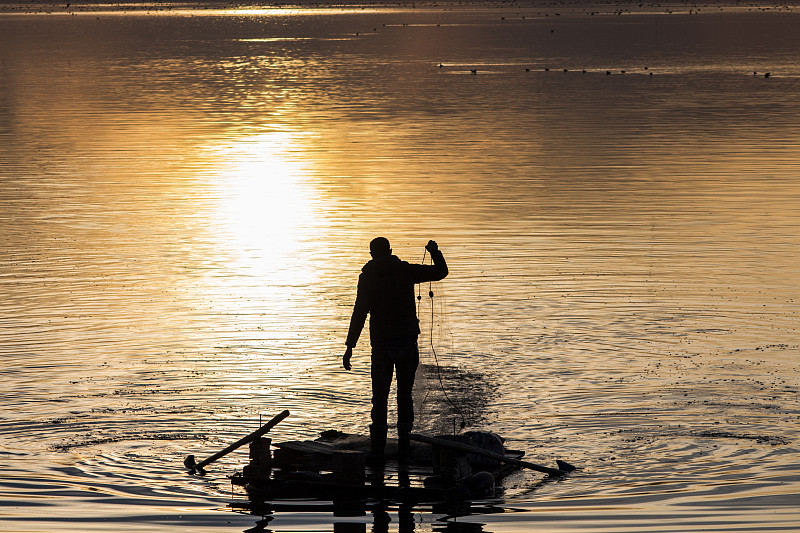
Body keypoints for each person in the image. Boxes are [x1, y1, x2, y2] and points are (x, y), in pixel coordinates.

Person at [343, 237, 448, 463]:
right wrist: (434, 251)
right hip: (406, 346)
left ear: (372, 254)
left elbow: (359, 313)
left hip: (381, 348)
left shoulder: (367, 278)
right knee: (404, 395)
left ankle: (378, 451)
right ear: (390, 251)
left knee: (379, 398)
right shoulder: (405, 271)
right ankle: (404, 447)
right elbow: (441, 272)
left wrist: (350, 346)